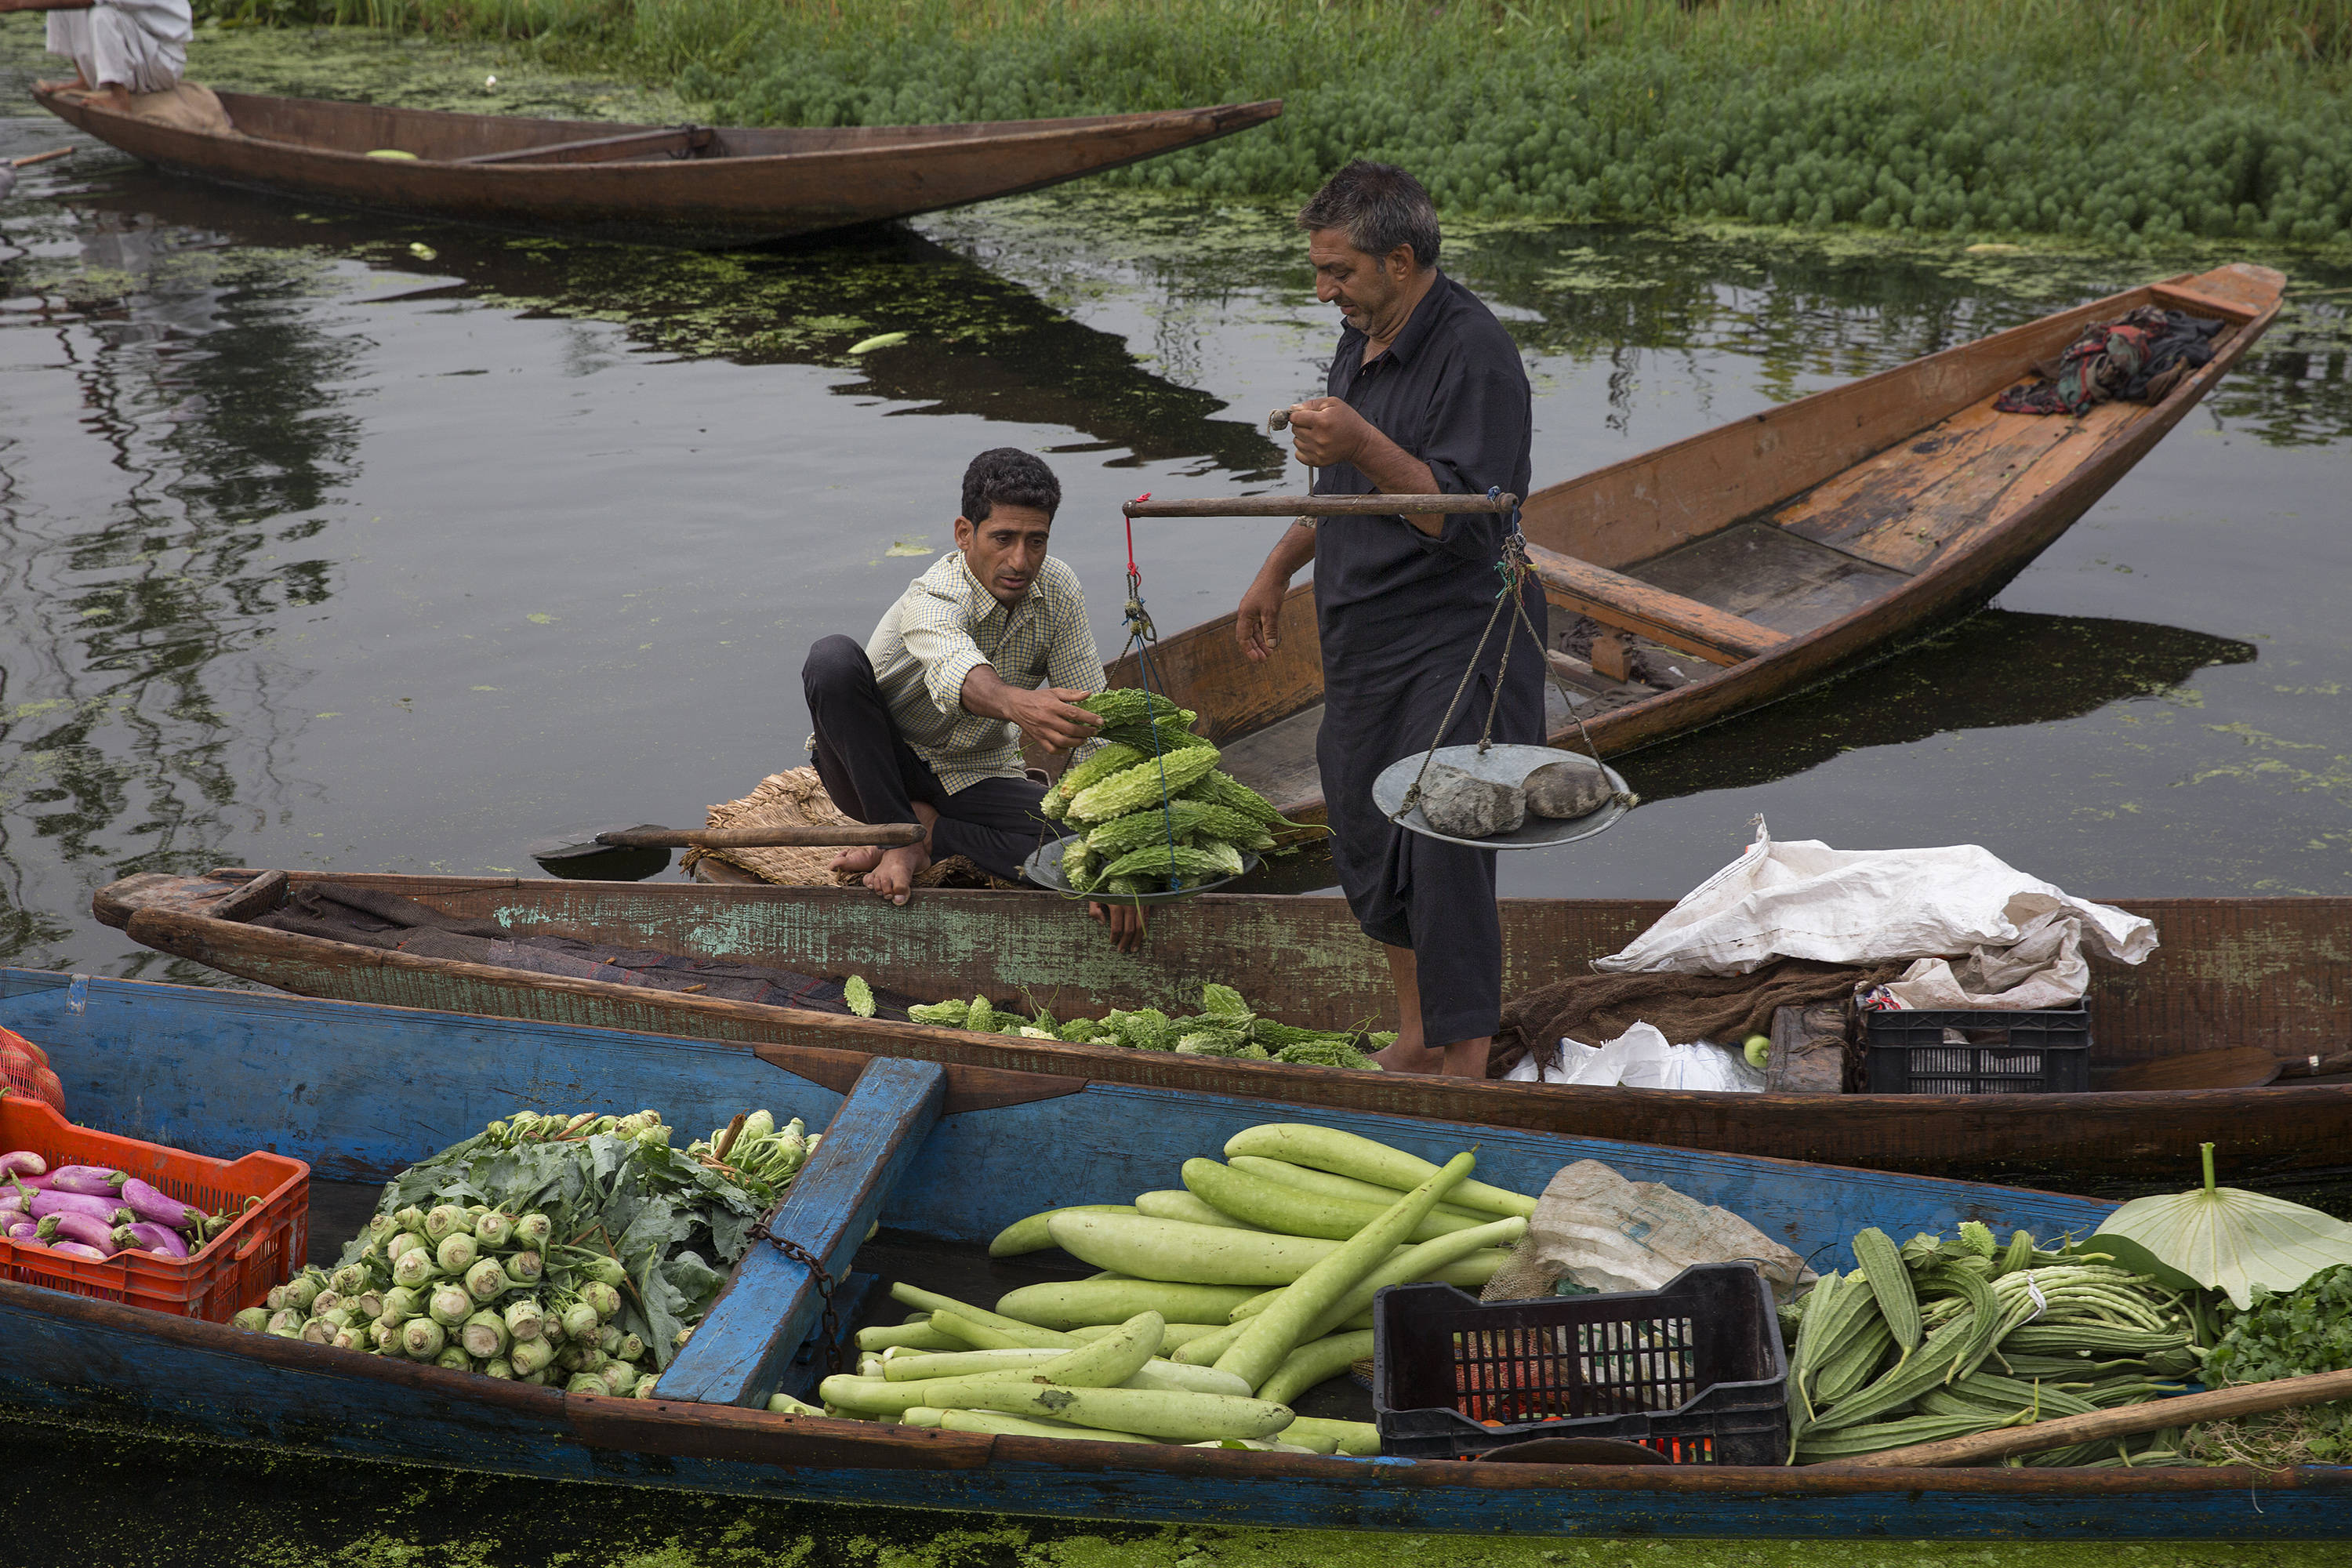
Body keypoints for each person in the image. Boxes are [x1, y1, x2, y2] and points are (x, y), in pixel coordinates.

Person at [1234, 161, 1541, 1078]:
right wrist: (1277, 567)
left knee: (1443, 837)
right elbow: (1340, 490)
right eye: (1321, 270)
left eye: (1341, 272)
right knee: (1369, 833)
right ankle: (1417, 1032)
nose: (1324, 290)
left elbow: (1459, 511)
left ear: (1401, 260)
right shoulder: (1360, 338)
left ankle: (1466, 1062)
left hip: (1457, 633)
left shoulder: (1473, 353)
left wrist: (1362, 439)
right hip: (1365, 635)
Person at [803, 448, 1145, 951]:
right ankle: (897, 835)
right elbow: (957, 670)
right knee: (831, 660)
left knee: (1079, 850)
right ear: (966, 534)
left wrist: (1115, 845)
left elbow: (1093, 722)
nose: (1020, 561)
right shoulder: (934, 596)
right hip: (876, 767)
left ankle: (932, 838)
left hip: (974, 770)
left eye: (1036, 541)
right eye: (1002, 539)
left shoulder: (1059, 590)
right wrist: (1017, 704)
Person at [34, 0, 192, 114]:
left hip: (163, 61)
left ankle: (120, 100)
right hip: (140, 50)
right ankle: (84, 80)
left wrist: (19, 4)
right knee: (60, 5)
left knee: (103, 14)